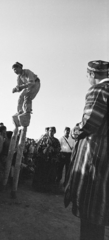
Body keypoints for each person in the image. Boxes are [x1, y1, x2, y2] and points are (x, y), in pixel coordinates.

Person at [64, 60, 109, 240]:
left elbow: (89, 123)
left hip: (95, 154)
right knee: (99, 211)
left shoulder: (99, 90)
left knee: (90, 209)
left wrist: (75, 131)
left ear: (91, 75)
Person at [12, 62, 41, 127]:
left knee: (27, 96)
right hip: (28, 86)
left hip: (35, 83)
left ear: (20, 68)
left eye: (16, 69)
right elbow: (19, 87)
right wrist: (16, 89)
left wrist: (21, 87)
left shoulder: (27, 72)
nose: (15, 71)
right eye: (14, 70)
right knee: (21, 97)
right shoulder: (19, 77)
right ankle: (20, 111)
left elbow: (32, 82)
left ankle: (27, 111)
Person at [32, 127, 61, 193]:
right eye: (50, 130)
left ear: (54, 132)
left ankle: (48, 189)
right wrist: (45, 149)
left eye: (52, 131)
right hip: (42, 160)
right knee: (41, 174)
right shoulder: (43, 139)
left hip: (51, 161)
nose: (51, 132)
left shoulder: (56, 141)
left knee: (50, 175)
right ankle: (38, 188)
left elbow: (58, 149)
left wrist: (53, 149)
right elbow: (38, 149)